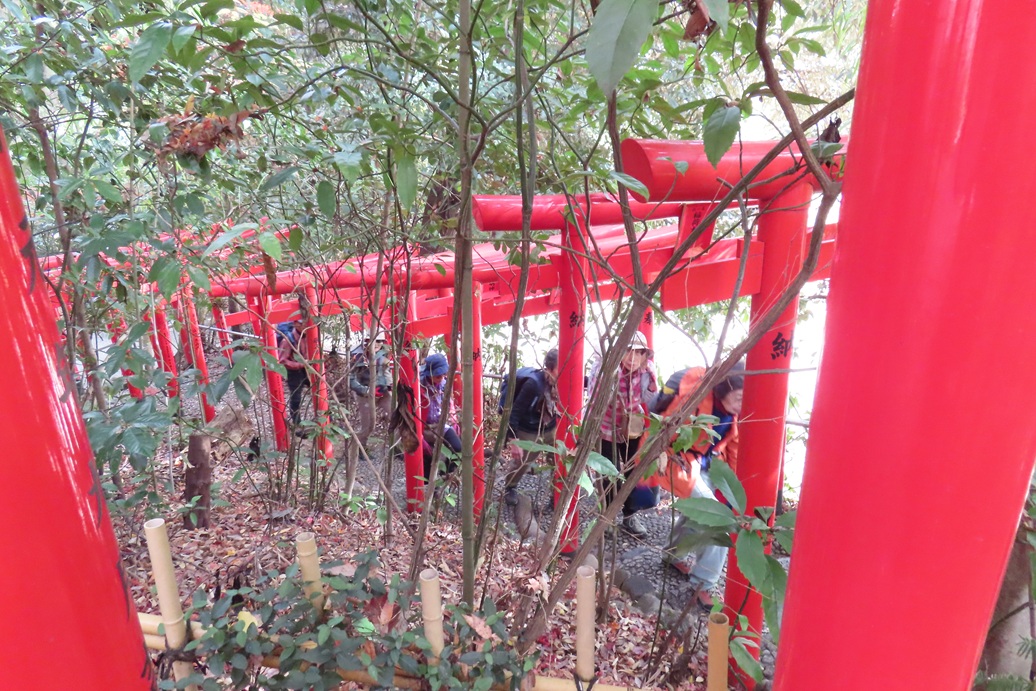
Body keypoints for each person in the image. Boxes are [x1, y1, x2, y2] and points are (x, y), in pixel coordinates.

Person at [647, 361, 744, 610]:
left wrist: (734, 485)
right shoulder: (692, 398)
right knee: (719, 520)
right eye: (739, 397)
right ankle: (703, 583)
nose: (742, 404)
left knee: (698, 513)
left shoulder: (732, 413)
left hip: (708, 463)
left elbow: (734, 445)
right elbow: (663, 435)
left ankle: (672, 554)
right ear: (723, 389)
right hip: (678, 461)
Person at [587, 330, 658, 537]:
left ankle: (630, 515)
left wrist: (652, 381)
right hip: (606, 425)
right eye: (628, 351)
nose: (633, 358)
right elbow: (594, 401)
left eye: (639, 353)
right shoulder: (605, 369)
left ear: (645, 355)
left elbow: (649, 399)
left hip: (632, 426)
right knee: (609, 473)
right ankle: (607, 517)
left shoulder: (646, 371)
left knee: (633, 471)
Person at [501, 348, 560, 507]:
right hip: (528, 428)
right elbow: (515, 412)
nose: (563, 373)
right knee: (523, 461)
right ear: (549, 369)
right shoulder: (533, 384)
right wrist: (514, 441)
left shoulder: (562, 381)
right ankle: (510, 487)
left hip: (550, 425)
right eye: (559, 369)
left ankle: (557, 494)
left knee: (558, 459)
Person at [419, 353, 461, 479]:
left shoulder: (443, 384)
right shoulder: (419, 385)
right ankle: (427, 486)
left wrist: (453, 419)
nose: (442, 377)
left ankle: (445, 476)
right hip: (423, 426)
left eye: (444, 374)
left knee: (458, 448)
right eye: (438, 375)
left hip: (440, 424)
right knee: (427, 457)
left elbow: (449, 402)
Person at [348, 333, 392, 440]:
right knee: (367, 425)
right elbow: (350, 379)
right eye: (373, 340)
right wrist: (366, 390)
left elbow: (386, 373)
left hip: (383, 392)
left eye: (379, 341)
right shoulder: (357, 356)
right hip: (364, 394)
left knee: (395, 415)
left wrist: (389, 386)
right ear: (366, 342)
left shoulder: (384, 354)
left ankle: (397, 445)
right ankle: (360, 445)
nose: (376, 344)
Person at [277, 319, 310, 432]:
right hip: (294, 372)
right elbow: (282, 361)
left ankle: (328, 419)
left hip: (308, 369)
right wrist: (300, 364)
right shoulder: (288, 340)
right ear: (295, 324)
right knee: (296, 398)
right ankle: (297, 424)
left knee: (321, 391)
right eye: (302, 323)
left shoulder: (309, 335)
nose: (305, 325)